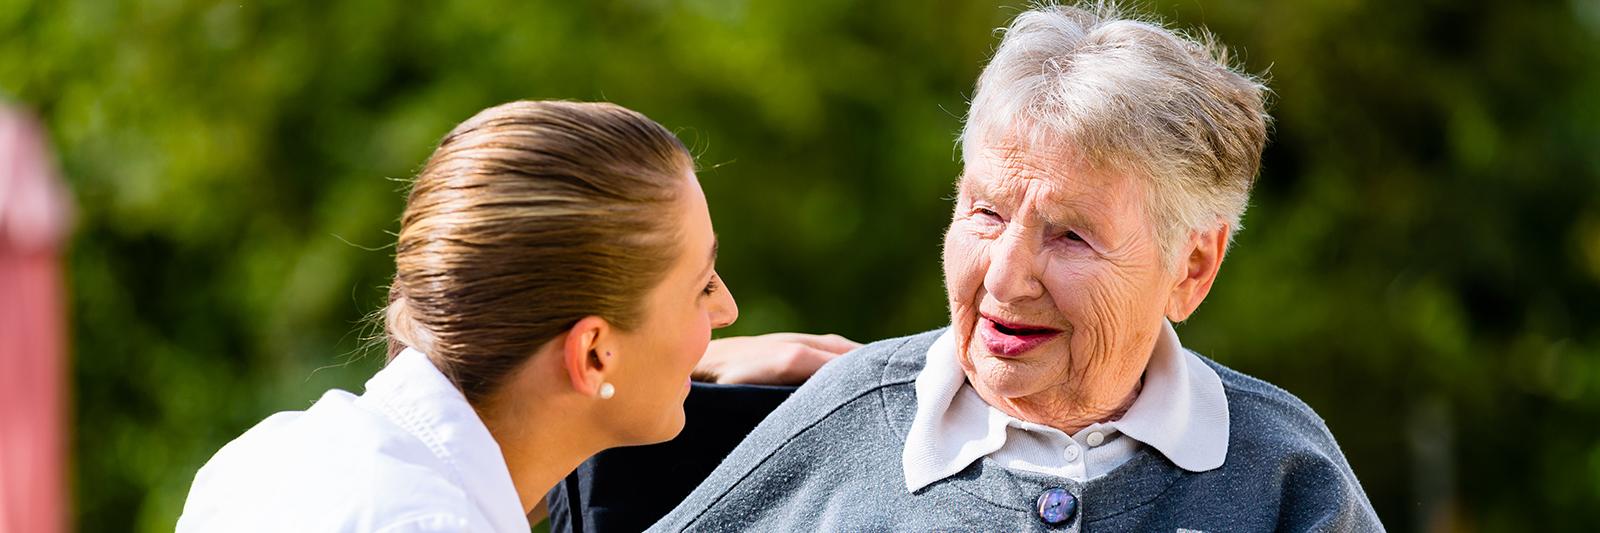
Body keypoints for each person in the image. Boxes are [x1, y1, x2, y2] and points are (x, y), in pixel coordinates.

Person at [649, 3, 1384, 531]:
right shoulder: (845, 420)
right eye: (986, 213)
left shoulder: (1285, 467)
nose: (1003, 278)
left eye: (1069, 236)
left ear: (1192, 266)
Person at [176, 100, 854, 532]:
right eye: (702, 286)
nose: (729, 309)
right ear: (592, 354)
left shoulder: (272, 455)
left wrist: (678, 354)